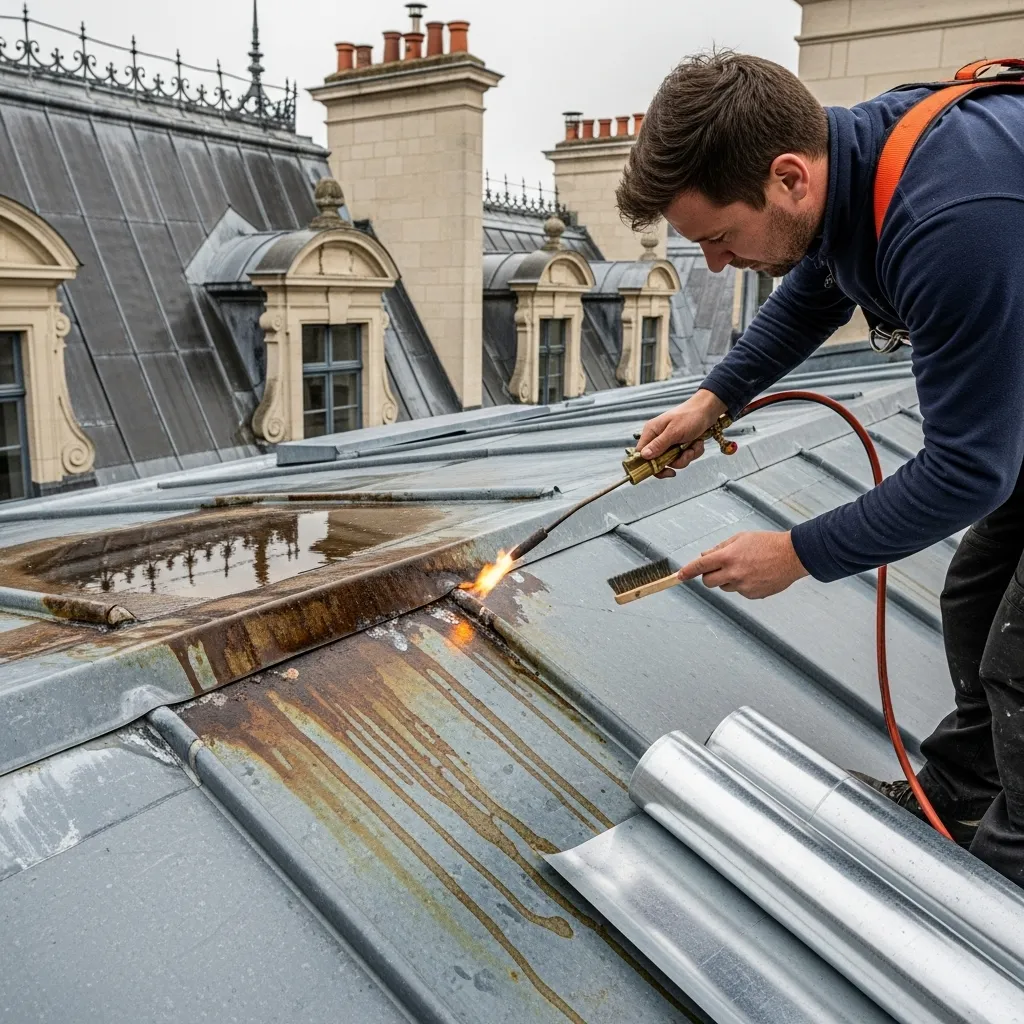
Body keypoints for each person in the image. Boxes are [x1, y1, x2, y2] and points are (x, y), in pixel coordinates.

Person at [618, 52, 1024, 886]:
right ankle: (949, 800)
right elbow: (818, 279)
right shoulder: (859, 162)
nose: (720, 267)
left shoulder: (956, 220)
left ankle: (996, 905)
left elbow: (967, 472)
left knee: (1019, 665)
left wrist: (798, 553)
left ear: (789, 178)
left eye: (720, 238)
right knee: (977, 598)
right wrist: (715, 398)